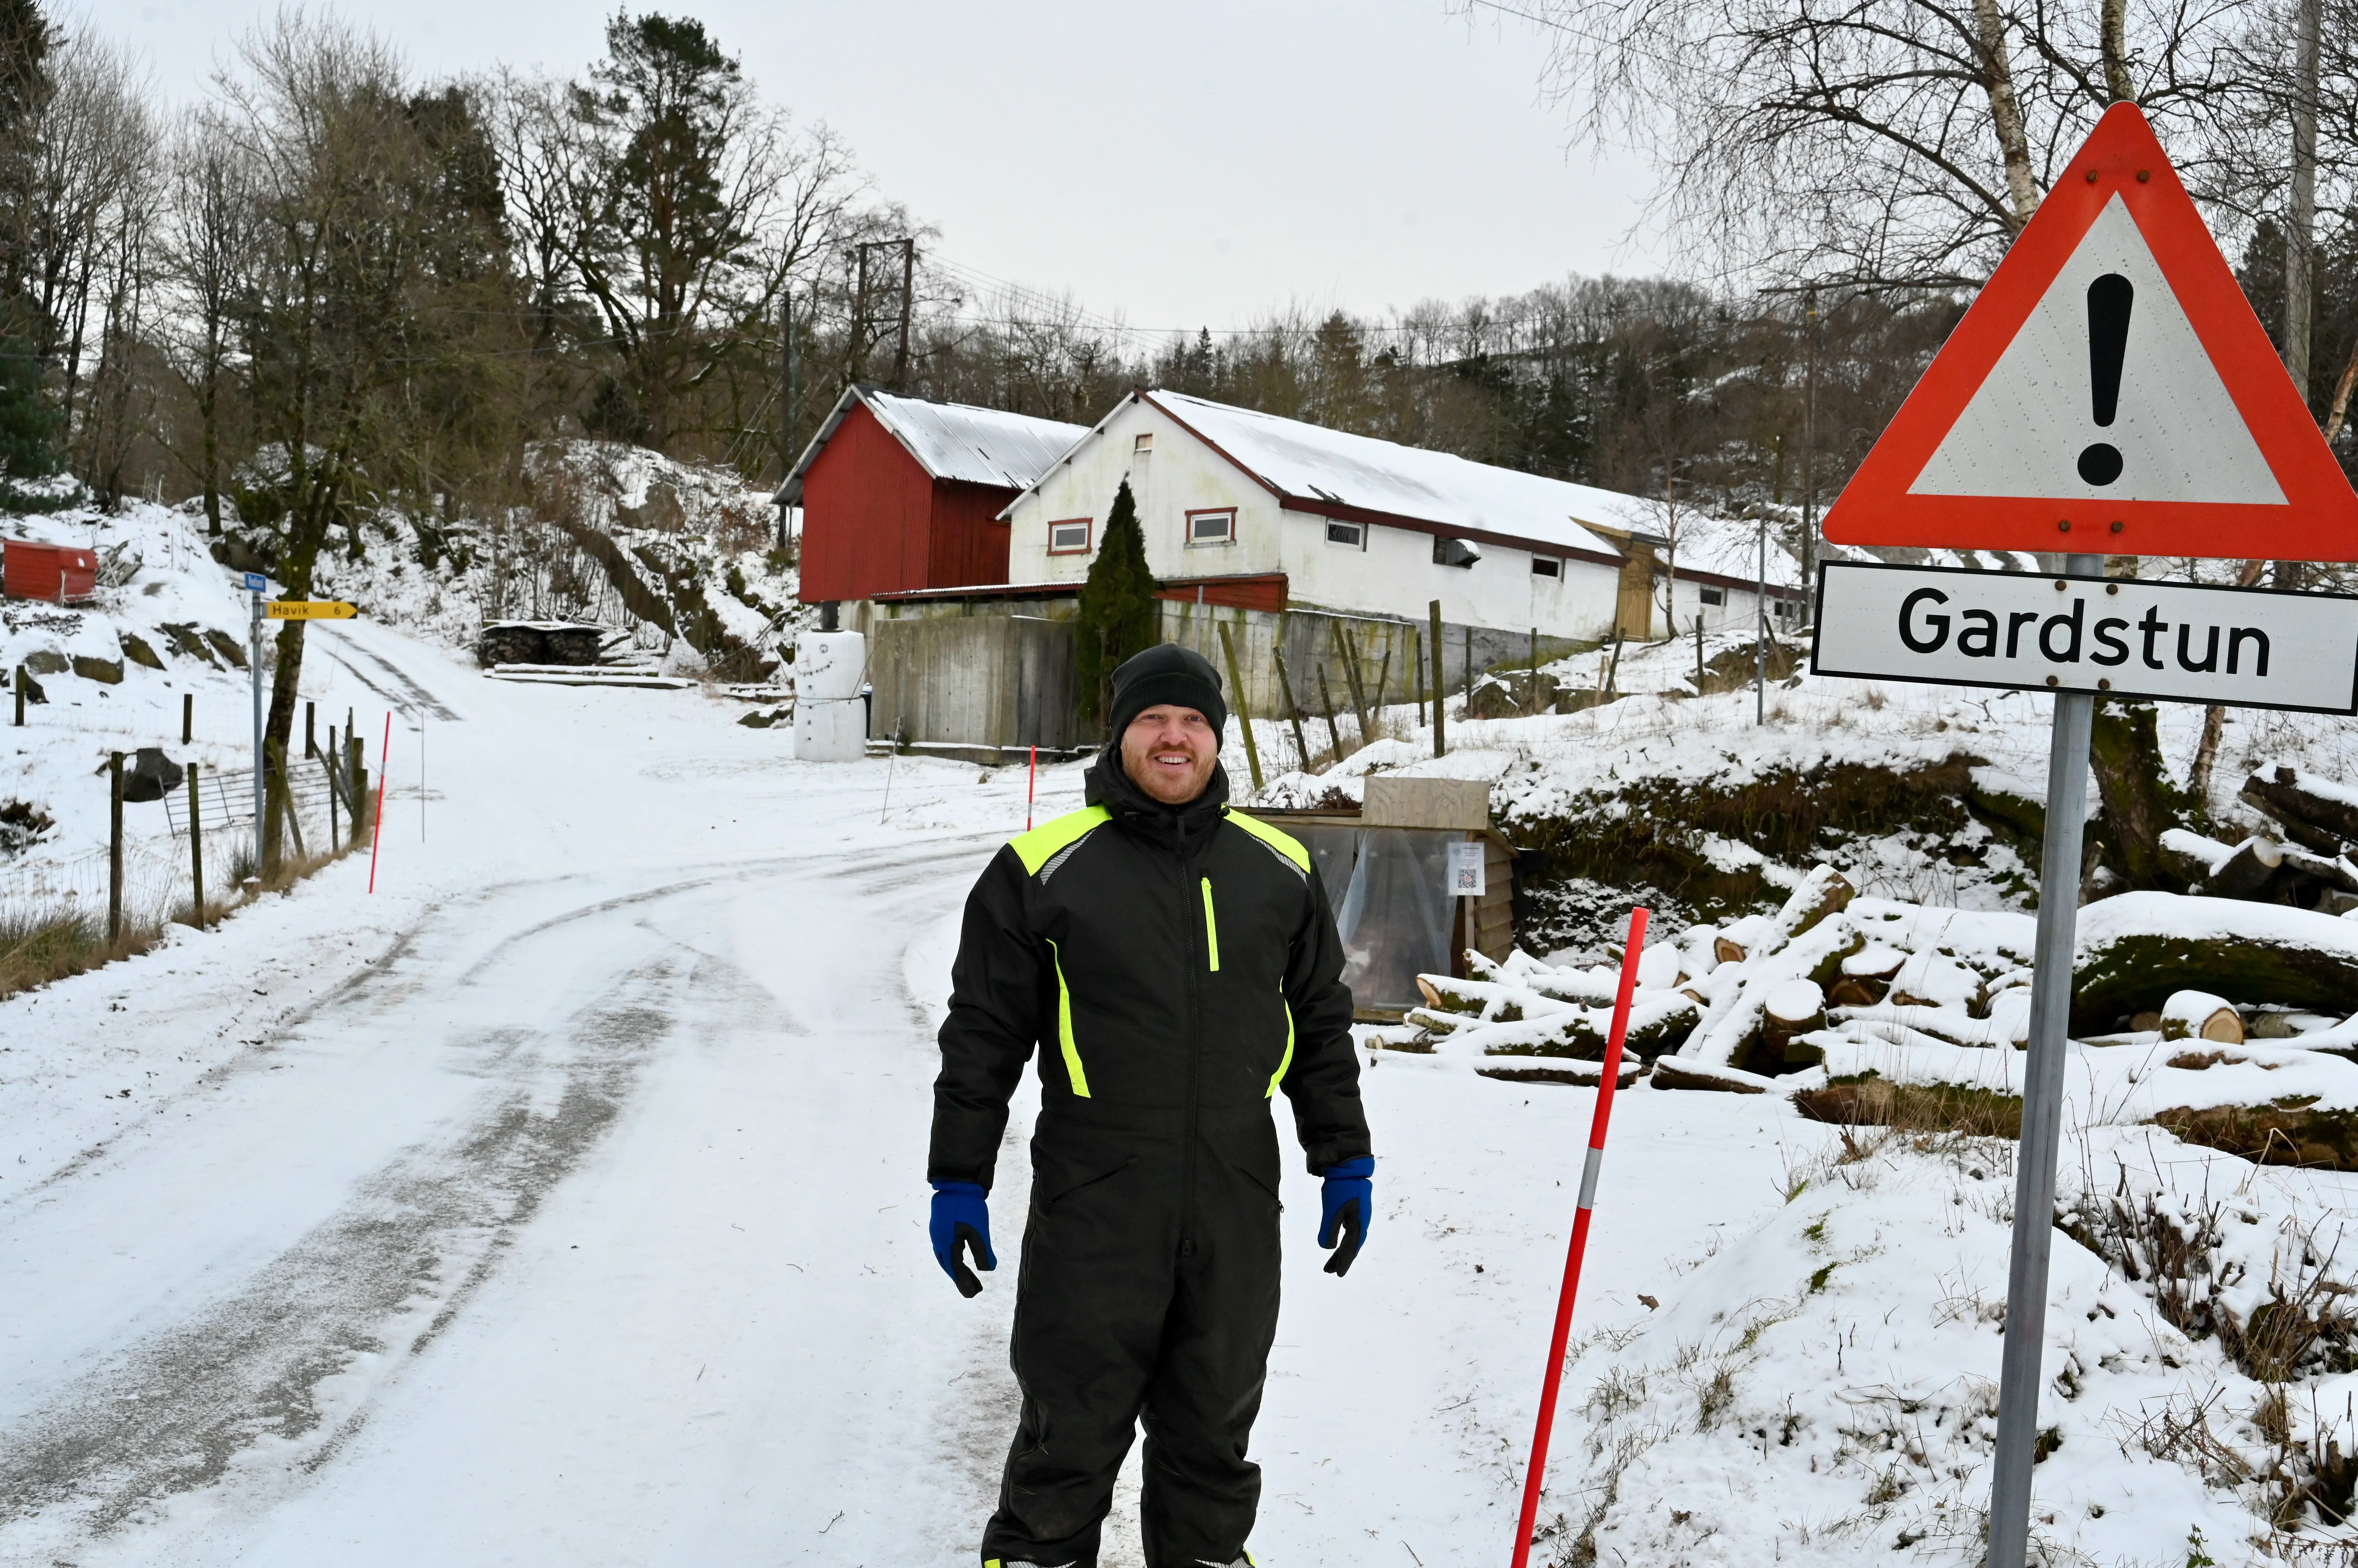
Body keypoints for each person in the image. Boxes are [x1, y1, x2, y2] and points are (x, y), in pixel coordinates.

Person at [928, 642, 1374, 1568]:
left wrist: (1343, 1155)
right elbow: (982, 1034)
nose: (1174, 738)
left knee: (1214, 1432)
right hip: (1096, 1196)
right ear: (1120, 734)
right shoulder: (1042, 869)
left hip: (1234, 1191)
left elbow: (1322, 1023)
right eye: (1153, 720)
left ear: (1215, 739)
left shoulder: (1279, 868)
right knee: (1069, 1433)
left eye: (1193, 722)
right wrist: (958, 1177)